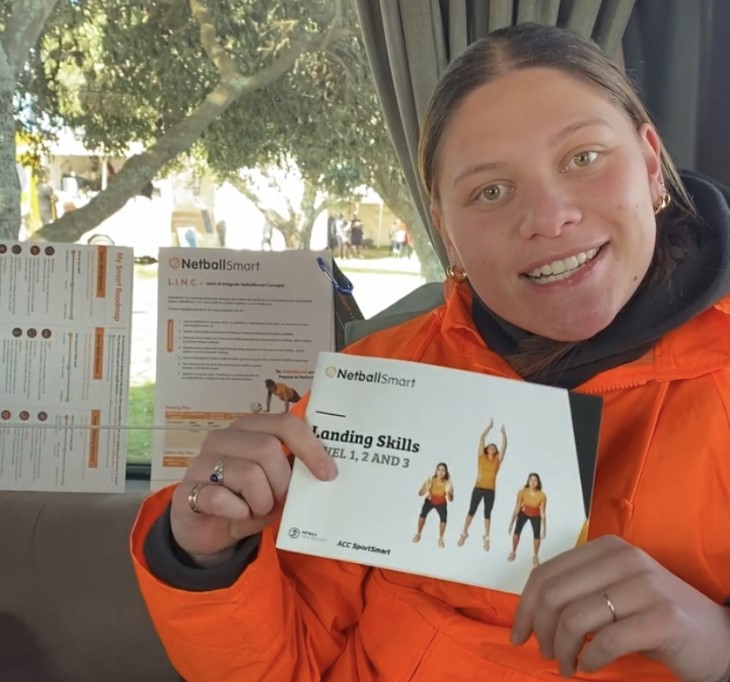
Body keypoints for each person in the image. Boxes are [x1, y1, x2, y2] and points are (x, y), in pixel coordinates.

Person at [131, 24, 730, 682]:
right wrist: (201, 559)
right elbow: (289, 664)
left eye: (583, 157)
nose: (549, 216)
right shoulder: (378, 386)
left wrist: (715, 640)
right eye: (491, 192)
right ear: (446, 231)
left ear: (650, 164)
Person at [456, 418, 507, 550]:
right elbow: (482, 438)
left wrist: (503, 434)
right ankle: (463, 534)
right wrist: (489, 427)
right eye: (490, 446)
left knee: (487, 513)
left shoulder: (497, 460)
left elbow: (504, 447)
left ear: (495, 451)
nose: (492, 447)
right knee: (471, 511)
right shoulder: (481, 457)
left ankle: (486, 538)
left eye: (494, 447)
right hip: (478, 488)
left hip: (490, 490)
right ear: (486, 449)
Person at [508, 473, 547, 566]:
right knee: (516, 532)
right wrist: (511, 523)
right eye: (531, 480)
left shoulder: (542, 496)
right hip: (524, 513)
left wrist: (544, 529)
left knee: (537, 535)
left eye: (535, 480)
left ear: (538, 482)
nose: (533, 482)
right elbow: (517, 508)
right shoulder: (522, 492)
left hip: (535, 515)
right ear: (528, 481)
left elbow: (542, 513)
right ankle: (513, 552)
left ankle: (535, 556)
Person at [412, 462, 454, 548]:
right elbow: (420, 493)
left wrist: (448, 492)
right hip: (430, 500)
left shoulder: (448, 483)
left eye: (443, 470)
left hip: (441, 502)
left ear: (446, 472)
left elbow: (451, 500)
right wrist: (425, 489)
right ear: (436, 471)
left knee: (443, 519)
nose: (440, 472)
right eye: (439, 470)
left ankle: (441, 538)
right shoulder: (431, 479)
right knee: (422, 515)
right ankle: (418, 534)